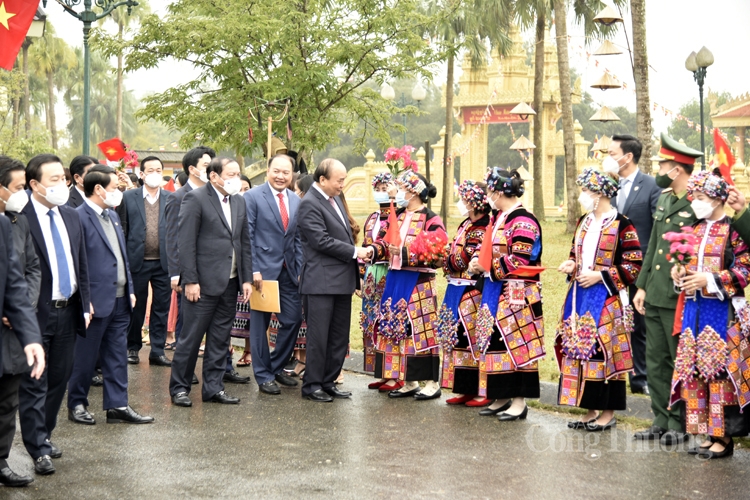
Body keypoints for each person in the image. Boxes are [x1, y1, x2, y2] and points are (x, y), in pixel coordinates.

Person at [668, 169, 750, 458]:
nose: (696, 202)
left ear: (717, 200)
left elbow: (744, 269)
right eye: (695, 197)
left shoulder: (734, 232)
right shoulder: (695, 229)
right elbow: (685, 262)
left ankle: (724, 437)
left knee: (719, 370)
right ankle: (706, 431)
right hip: (694, 309)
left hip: (722, 310)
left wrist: (711, 280)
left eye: (701, 197)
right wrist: (680, 273)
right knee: (696, 369)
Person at [19, 154, 91, 475]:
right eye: (53, 180)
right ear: (34, 184)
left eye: (62, 178)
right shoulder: (19, 219)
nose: (61, 185)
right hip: (36, 313)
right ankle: (37, 447)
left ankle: (44, 435)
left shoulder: (71, 216)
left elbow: (81, 262)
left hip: (69, 309)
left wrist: (86, 302)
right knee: (35, 380)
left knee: (59, 378)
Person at [555, 168, 642, 431]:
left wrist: (599, 276)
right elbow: (575, 252)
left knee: (605, 353)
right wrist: (571, 263)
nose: (582, 195)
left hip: (607, 297)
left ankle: (608, 412)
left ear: (601, 193)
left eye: (586, 190)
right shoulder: (584, 221)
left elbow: (633, 264)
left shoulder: (622, 224)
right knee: (580, 348)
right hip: (579, 296)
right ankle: (589, 408)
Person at [67, 165, 154, 425]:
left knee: (116, 355)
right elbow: (76, 262)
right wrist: (84, 299)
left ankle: (117, 405)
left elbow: (121, 255)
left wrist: (129, 289)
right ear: (98, 189)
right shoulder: (78, 217)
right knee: (85, 356)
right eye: (115, 188)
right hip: (94, 300)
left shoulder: (112, 215)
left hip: (120, 299)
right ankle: (77, 403)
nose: (118, 192)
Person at [633, 133, 703, 446]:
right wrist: (642, 286)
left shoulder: (698, 203)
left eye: (663, 163)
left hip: (682, 296)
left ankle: (681, 421)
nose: (659, 168)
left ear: (678, 168)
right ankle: (660, 418)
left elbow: (703, 250)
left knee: (679, 360)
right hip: (657, 293)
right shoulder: (663, 198)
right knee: (655, 359)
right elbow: (655, 249)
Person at [169, 157, 253, 407]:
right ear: (214, 176)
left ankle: (213, 387)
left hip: (230, 282)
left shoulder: (238, 201)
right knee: (191, 338)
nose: (236, 179)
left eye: (238, 174)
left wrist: (246, 278)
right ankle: (180, 388)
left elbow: (243, 242)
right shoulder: (195, 199)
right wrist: (190, 280)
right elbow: (185, 243)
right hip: (202, 284)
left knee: (220, 338)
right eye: (231, 174)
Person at [467, 168, 544, 420]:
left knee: (516, 343)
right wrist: (476, 262)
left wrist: (486, 266)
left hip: (517, 292)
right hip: (495, 288)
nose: (488, 195)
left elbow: (520, 259)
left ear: (499, 192)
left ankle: (519, 401)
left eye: (490, 191)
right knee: (495, 340)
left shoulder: (523, 220)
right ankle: (500, 395)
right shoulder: (500, 216)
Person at [368, 169, 446, 400]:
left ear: (413, 192)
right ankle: (408, 379)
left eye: (402, 188)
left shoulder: (432, 219)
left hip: (418, 281)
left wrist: (403, 252)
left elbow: (437, 254)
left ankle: (431, 382)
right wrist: (374, 250)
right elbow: (383, 240)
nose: (398, 192)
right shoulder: (399, 215)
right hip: (395, 277)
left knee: (420, 329)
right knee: (395, 327)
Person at [299, 159, 369, 402]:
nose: (343, 184)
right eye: (339, 180)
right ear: (322, 180)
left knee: (338, 336)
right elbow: (320, 241)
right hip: (320, 282)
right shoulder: (309, 203)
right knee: (319, 336)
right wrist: (355, 252)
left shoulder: (336, 198)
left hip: (342, 280)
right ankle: (312, 385)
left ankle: (328, 381)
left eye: (344, 179)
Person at [0, 156, 45, 488]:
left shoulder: (10, 223)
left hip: (11, 330)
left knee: (7, 401)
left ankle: (0, 460)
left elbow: (20, 278)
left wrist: (27, 328)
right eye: (17, 187)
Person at [606, 134, 661, 395]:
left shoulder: (651, 186)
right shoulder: (609, 187)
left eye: (612, 153)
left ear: (627, 157)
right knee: (617, 321)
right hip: (614, 270)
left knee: (641, 326)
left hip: (642, 269)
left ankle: (641, 378)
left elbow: (658, 231)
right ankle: (615, 371)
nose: (608, 158)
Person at [244, 155, 303, 395]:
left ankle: (276, 366)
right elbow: (246, 236)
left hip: (289, 272)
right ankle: (263, 375)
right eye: (276, 171)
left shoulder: (295, 200)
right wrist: (253, 269)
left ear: (292, 175)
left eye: (286, 173)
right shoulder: (252, 197)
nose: (281, 176)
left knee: (293, 319)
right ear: (268, 171)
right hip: (263, 274)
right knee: (260, 326)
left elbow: (297, 238)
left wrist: (300, 269)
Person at [164, 146, 215, 385]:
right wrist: (177, 274)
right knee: (189, 328)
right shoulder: (178, 197)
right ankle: (184, 371)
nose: (212, 169)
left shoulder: (217, 195)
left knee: (216, 328)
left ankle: (219, 369)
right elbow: (173, 238)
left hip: (215, 272)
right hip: (189, 273)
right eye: (207, 165)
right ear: (192, 169)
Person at [117, 156, 172, 367]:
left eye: (159, 170)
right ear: (141, 174)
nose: (155, 174)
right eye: (150, 170)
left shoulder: (170, 198)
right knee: (136, 307)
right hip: (136, 261)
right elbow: (123, 228)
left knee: (161, 308)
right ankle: (132, 347)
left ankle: (157, 351)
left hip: (163, 263)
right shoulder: (128, 197)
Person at [440, 180, 491, 406]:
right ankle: (464, 388)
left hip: (472, 289)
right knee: (457, 336)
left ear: (473, 203)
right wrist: (449, 259)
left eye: (463, 199)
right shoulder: (466, 224)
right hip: (456, 286)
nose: (461, 203)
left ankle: (481, 390)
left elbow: (463, 259)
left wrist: (447, 259)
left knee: (471, 337)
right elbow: (454, 255)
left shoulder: (482, 227)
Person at [361, 173, 394, 380]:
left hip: (388, 272)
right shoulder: (372, 217)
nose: (380, 192)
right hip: (371, 274)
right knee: (369, 319)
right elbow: (365, 247)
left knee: (387, 319)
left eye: (385, 188)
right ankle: (376, 370)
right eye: (378, 188)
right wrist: (360, 277)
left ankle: (390, 370)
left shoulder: (394, 215)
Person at [232, 175, 253, 367]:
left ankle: (248, 350)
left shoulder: (250, 207)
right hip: (230, 271)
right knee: (230, 315)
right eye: (240, 189)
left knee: (249, 317)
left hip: (248, 269)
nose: (243, 193)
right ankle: (226, 348)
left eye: (247, 188)